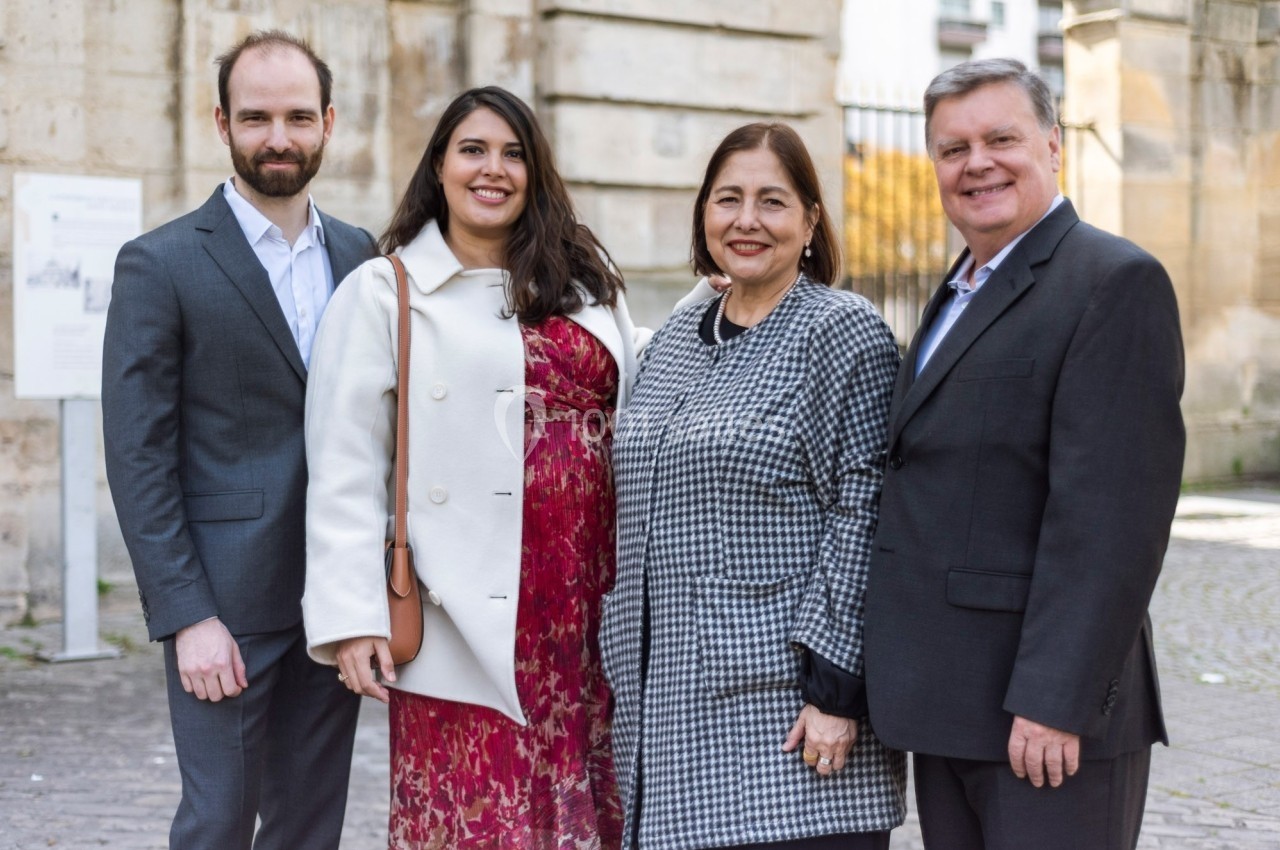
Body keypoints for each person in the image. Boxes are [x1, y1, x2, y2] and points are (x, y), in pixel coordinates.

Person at [302, 86, 642, 849]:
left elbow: (643, 378)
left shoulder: (585, 281)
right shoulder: (384, 292)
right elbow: (344, 464)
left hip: (590, 602)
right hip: (464, 605)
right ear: (441, 168)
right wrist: (351, 615)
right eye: (473, 150)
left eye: (513, 153)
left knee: (589, 798)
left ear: (536, 172)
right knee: (476, 815)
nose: (494, 169)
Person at [862, 58, 1186, 850]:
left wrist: (1053, 700)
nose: (977, 163)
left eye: (1000, 138)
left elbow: (1110, 520)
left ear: (1052, 145)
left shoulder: (1114, 281)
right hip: (951, 704)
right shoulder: (957, 291)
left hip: (1040, 720)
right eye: (952, 148)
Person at [101, 30, 378, 850]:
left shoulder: (363, 258)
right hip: (224, 605)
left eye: (298, 116)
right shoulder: (161, 263)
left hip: (330, 600)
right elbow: (138, 454)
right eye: (256, 117)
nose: (279, 138)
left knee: (308, 825)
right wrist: (186, 614)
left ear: (329, 122)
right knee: (218, 822)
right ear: (221, 123)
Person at [602, 122, 906, 850]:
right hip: (663, 712)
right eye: (727, 198)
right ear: (703, 213)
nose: (745, 220)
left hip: (787, 721)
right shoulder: (680, 334)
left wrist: (837, 692)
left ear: (809, 221)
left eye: (772, 201)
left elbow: (864, 512)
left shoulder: (842, 330)